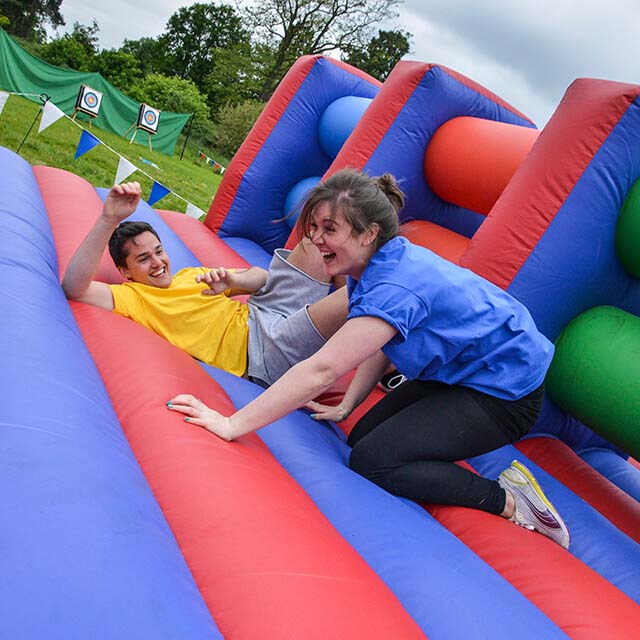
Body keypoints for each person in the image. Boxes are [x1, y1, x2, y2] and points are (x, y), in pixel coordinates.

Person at [166, 168, 570, 549]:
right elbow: (383, 340)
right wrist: (349, 403)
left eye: (329, 229)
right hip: (463, 371)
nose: (315, 238)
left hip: (506, 393)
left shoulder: (395, 282)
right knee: (362, 435)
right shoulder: (376, 263)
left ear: (369, 233)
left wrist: (231, 423)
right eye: (314, 226)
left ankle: (511, 499)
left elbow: (321, 369)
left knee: (373, 461)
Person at [62, 181, 348, 385]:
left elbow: (263, 278)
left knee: (317, 241)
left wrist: (234, 279)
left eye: (159, 251)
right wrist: (108, 218)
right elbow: (75, 288)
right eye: (144, 259)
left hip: (263, 312)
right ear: (125, 271)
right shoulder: (132, 297)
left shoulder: (190, 275)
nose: (158, 262)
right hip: (262, 354)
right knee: (352, 295)